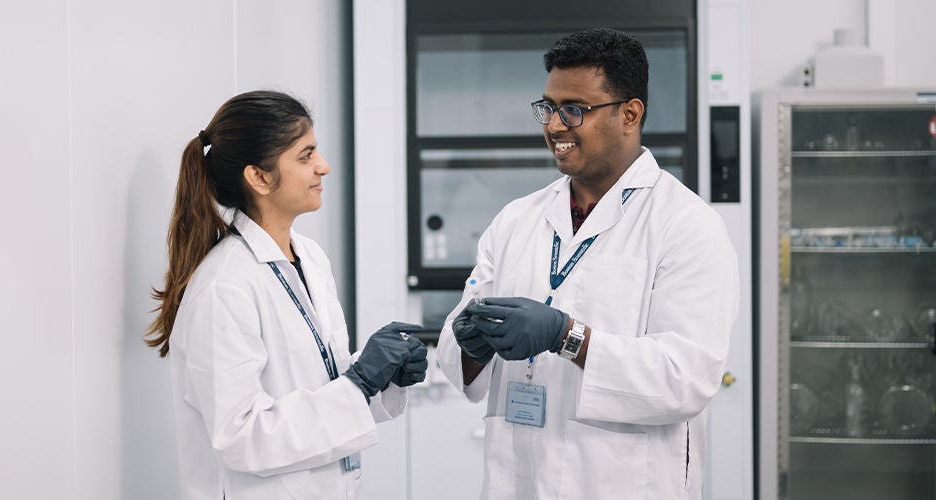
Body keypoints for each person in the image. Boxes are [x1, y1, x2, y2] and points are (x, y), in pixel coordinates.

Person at [435, 28, 740, 499]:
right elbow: (458, 358)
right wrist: (470, 342)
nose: (555, 126)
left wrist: (567, 336)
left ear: (629, 114)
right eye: (548, 108)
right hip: (518, 479)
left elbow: (686, 378)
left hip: (622, 482)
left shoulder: (686, 224)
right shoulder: (516, 219)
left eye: (574, 109)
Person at [147, 90, 429, 499]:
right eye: (305, 155)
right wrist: (359, 383)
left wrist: (381, 381)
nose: (324, 166)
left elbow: (314, 386)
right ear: (259, 177)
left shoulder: (309, 256)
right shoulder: (225, 285)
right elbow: (240, 437)